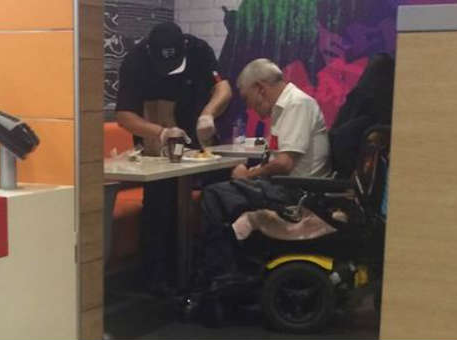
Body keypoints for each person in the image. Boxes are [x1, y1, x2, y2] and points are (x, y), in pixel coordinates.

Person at [183, 58, 331, 307]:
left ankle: (223, 277)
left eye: (248, 98)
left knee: (214, 196)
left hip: (297, 192)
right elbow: (279, 158)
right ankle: (229, 269)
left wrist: (248, 175)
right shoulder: (286, 107)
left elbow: (284, 164)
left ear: (260, 88)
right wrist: (252, 171)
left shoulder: (296, 105)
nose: (249, 106)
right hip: (289, 185)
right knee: (222, 191)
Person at [115, 22, 232, 296]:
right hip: (158, 145)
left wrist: (208, 114)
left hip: (201, 137)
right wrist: (162, 132)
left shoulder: (199, 50)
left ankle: (212, 269)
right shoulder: (135, 62)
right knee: (159, 204)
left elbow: (223, 89)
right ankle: (157, 279)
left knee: (220, 193)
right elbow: (124, 115)